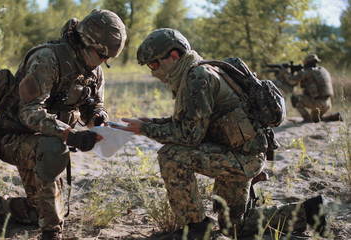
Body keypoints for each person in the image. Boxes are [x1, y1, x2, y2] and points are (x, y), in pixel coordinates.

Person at [113, 28, 328, 238]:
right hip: (239, 153)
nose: (153, 72)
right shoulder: (200, 70)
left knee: (171, 156)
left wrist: (146, 130)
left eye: (154, 64)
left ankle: (195, 227)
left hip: (241, 159)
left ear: (173, 55)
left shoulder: (198, 77)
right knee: (234, 228)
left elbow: (190, 136)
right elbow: (192, 122)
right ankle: (309, 211)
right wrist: (152, 123)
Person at [0, 9, 126, 240]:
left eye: (108, 58)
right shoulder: (47, 59)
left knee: (36, 212)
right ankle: (51, 234)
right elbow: (29, 112)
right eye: (101, 54)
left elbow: (94, 107)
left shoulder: (94, 70)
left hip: (46, 140)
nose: (104, 61)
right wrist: (70, 136)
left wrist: (99, 120)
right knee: (53, 150)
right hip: (13, 137)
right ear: (85, 43)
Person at [282, 53, 342, 123]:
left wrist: (284, 72)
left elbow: (292, 81)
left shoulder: (308, 72)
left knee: (295, 98)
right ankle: (335, 117)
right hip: (327, 103)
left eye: (305, 62)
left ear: (307, 62)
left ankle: (307, 119)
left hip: (318, 103)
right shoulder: (323, 70)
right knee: (315, 119)